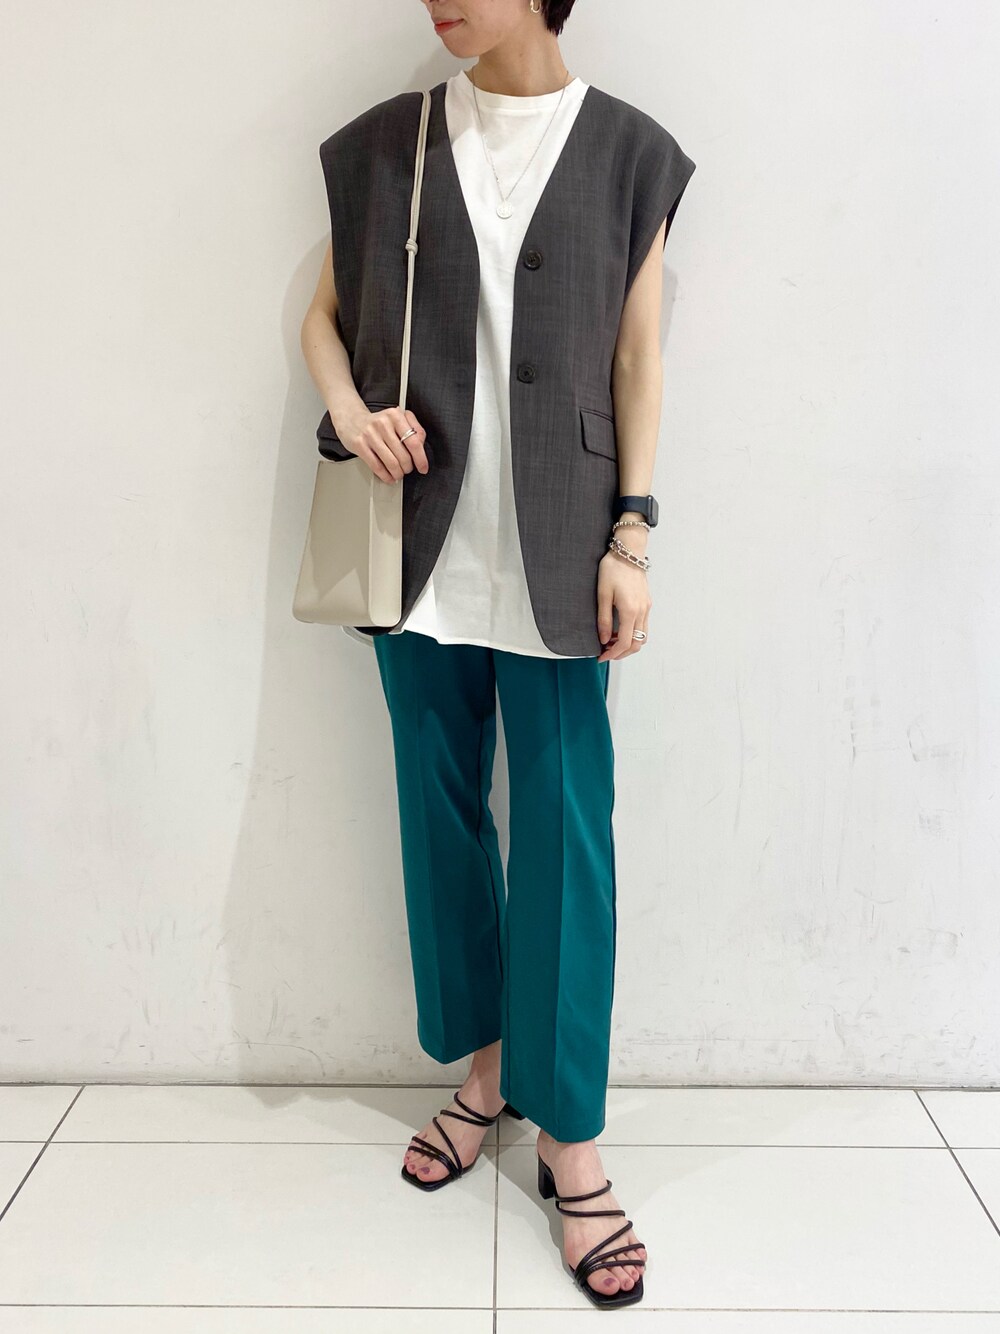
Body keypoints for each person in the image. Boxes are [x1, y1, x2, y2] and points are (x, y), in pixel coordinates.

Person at [300, 0, 695, 1310]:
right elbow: (323, 313)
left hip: (563, 557)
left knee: (570, 837)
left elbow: (639, 356)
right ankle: (483, 1074)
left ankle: (569, 1139)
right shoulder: (389, 143)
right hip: (416, 553)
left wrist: (632, 533)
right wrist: (350, 411)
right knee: (443, 822)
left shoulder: (630, 152)